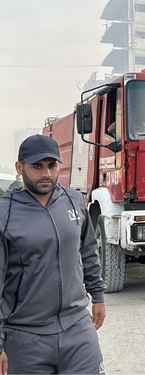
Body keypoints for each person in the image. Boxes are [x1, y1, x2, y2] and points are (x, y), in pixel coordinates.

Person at [0, 135, 107, 374]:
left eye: (52, 165)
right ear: (20, 168)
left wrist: (97, 295)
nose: (46, 173)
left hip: (78, 329)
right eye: (37, 166)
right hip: (26, 336)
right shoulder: (4, 214)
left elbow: (88, 251)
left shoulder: (74, 201)